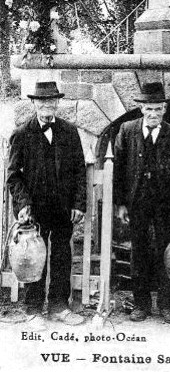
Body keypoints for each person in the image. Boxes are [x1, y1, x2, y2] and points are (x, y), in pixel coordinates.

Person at [7, 81, 86, 326]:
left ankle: (59, 307)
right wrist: (23, 205)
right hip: (34, 209)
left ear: (57, 103)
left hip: (62, 208)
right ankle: (32, 309)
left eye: (51, 101)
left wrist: (78, 204)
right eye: (42, 101)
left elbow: (80, 171)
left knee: (62, 255)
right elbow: (13, 175)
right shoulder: (22, 134)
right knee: (34, 257)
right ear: (34, 103)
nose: (46, 106)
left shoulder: (69, 132)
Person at [113, 81, 170, 324]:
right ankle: (141, 304)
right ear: (141, 109)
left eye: (157, 109)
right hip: (137, 202)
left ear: (164, 109)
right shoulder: (127, 130)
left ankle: (166, 305)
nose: (153, 114)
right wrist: (121, 204)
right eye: (148, 109)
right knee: (139, 251)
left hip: (164, 203)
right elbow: (119, 171)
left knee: (167, 252)